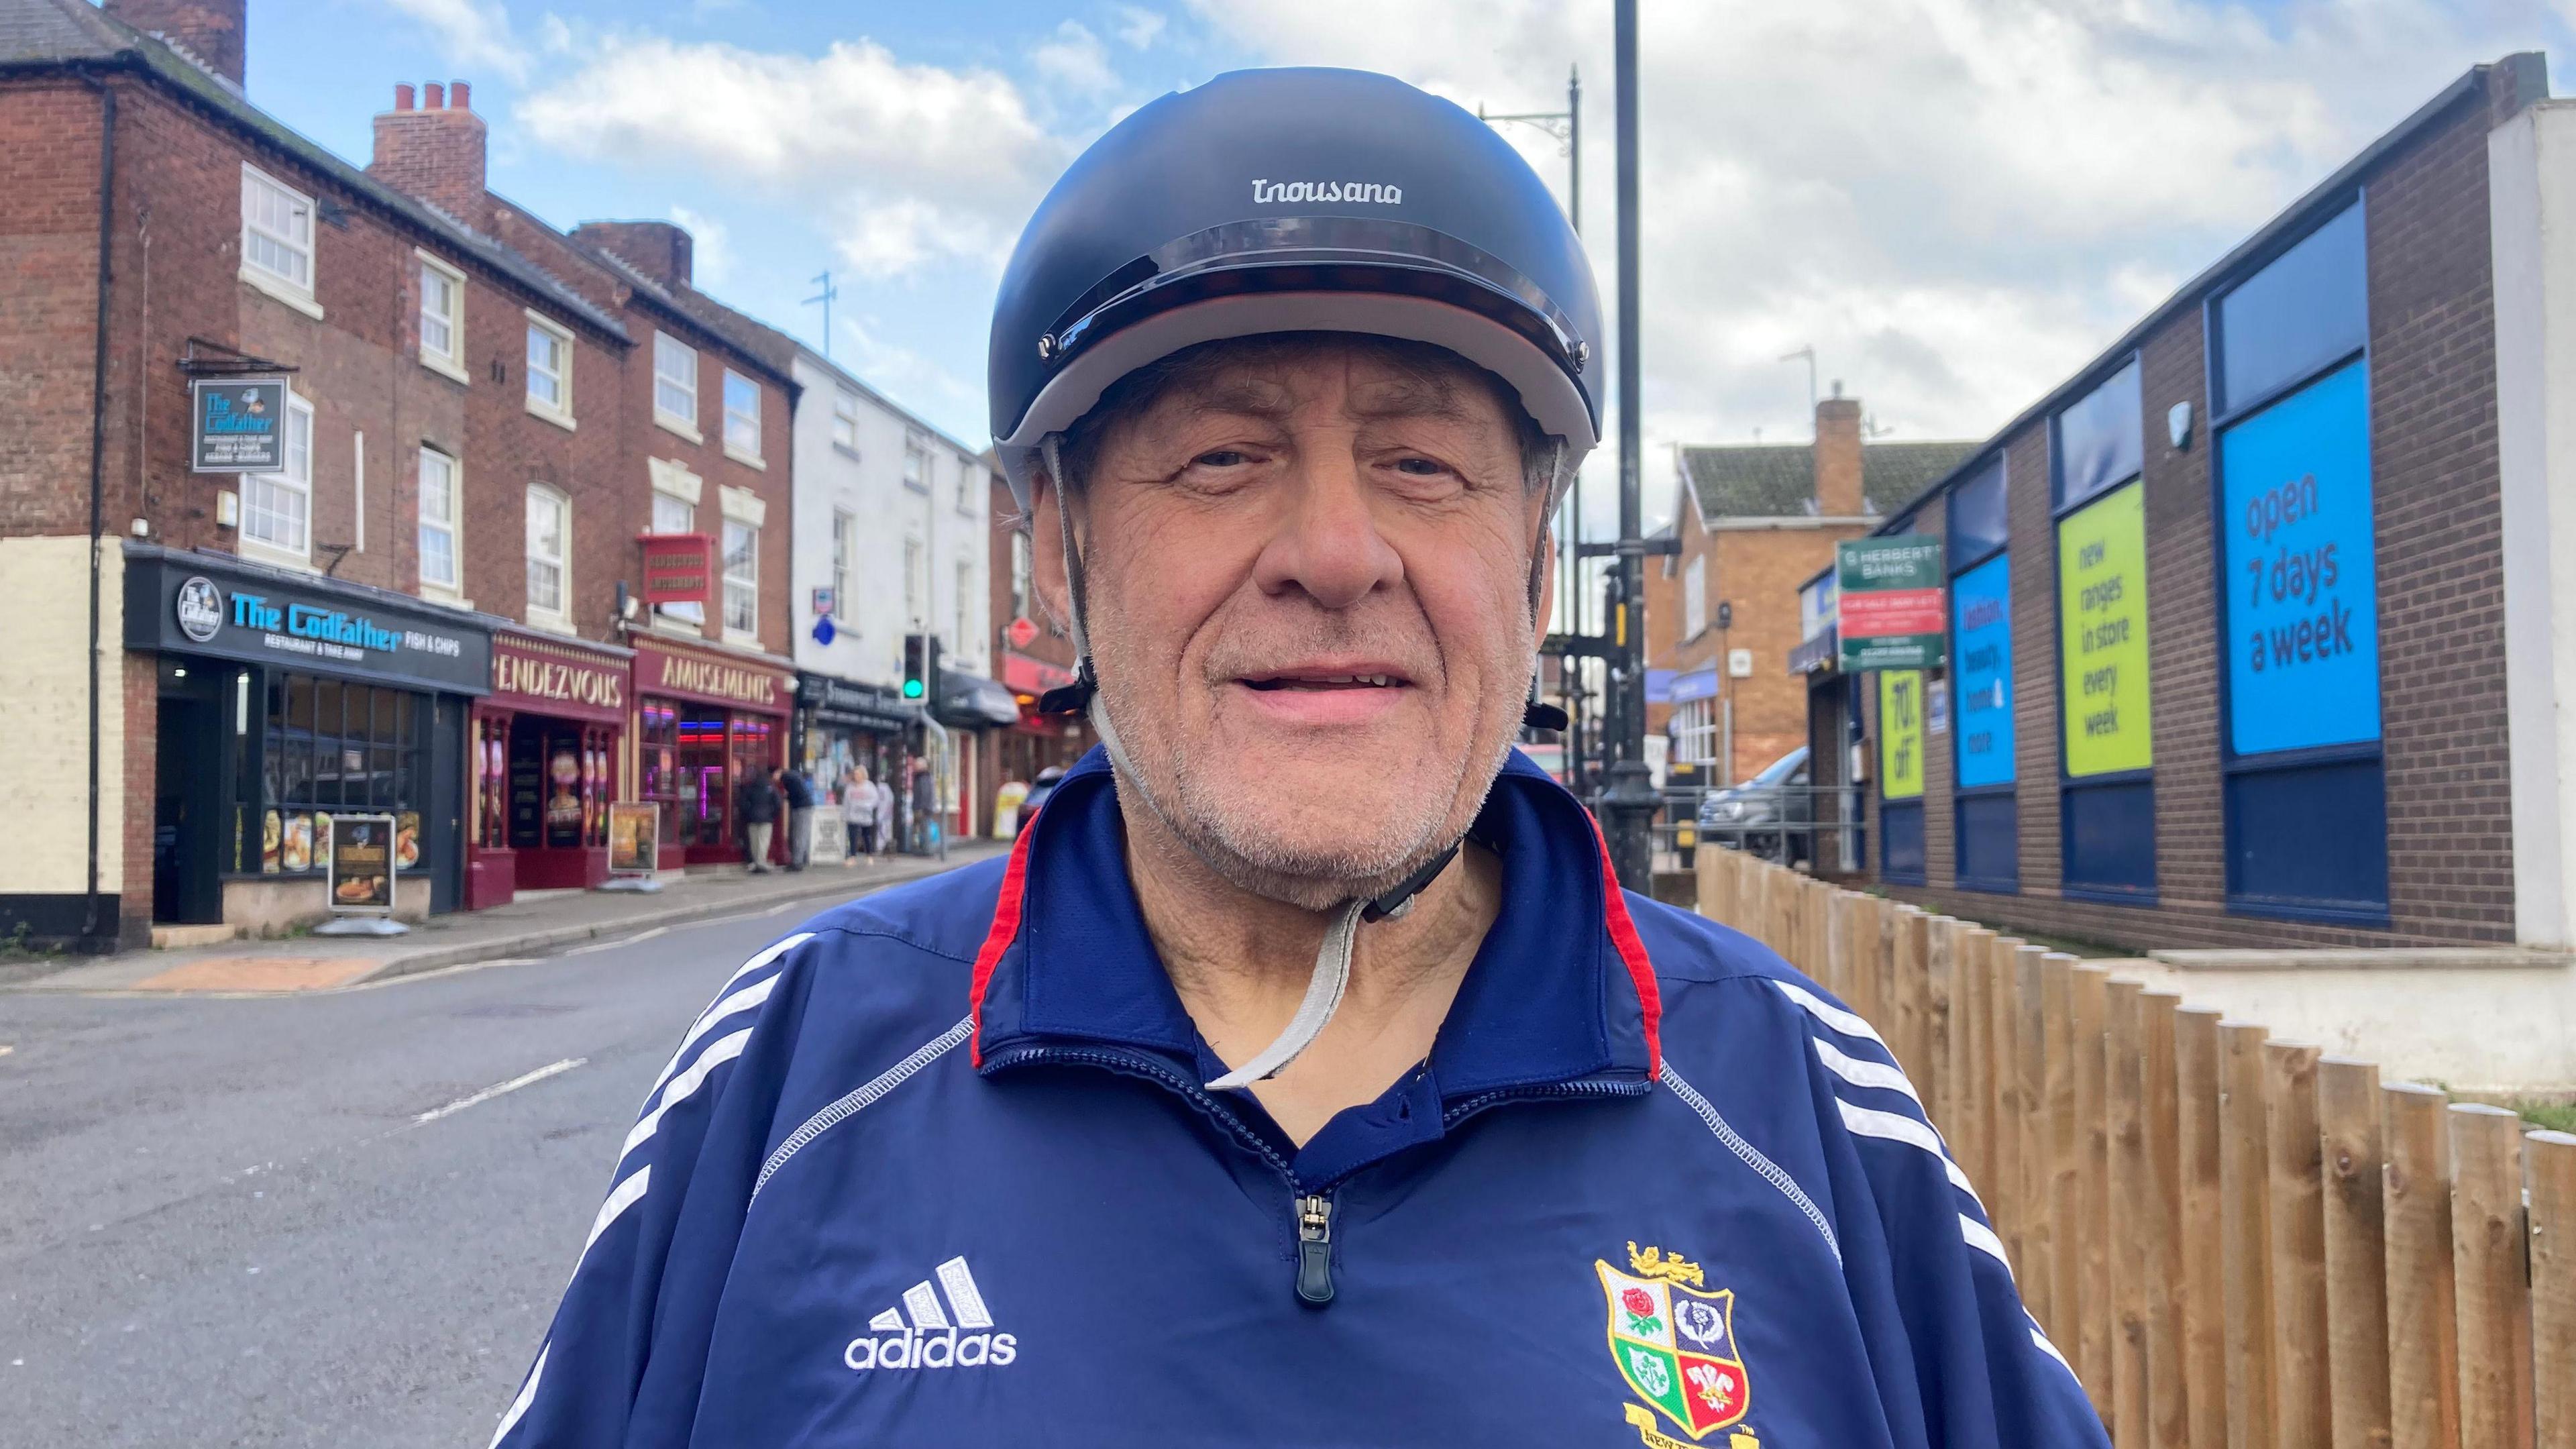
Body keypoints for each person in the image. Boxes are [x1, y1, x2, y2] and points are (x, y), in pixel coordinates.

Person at [492, 68, 2106, 1449]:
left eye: (1422, 461)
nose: (1336, 553)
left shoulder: (1793, 1103)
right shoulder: (796, 1075)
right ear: (1053, 548)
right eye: (1218, 456)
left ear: (1534, 563)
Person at [735, 767, 780, 875]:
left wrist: (748, 814)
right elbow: (778, 804)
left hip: (752, 818)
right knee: (764, 841)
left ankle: (756, 862)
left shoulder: (750, 788)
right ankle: (761, 863)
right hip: (767, 819)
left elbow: (742, 803)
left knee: (754, 841)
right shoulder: (771, 788)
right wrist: (772, 814)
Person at [779, 765, 816, 872]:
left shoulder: (787, 778)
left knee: (799, 835)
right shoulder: (793, 775)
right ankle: (803, 859)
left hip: (801, 808)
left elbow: (794, 793)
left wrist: (785, 797)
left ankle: (797, 863)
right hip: (805, 806)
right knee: (803, 835)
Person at [841, 768, 879, 865]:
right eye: (855, 774)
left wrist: (867, 806)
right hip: (852, 816)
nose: (856, 776)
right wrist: (845, 814)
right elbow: (846, 801)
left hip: (865, 816)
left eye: (858, 774)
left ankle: (869, 855)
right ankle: (852, 856)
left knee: (866, 836)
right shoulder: (850, 787)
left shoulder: (869, 786)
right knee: (852, 837)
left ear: (863, 775)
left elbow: (875, 800)